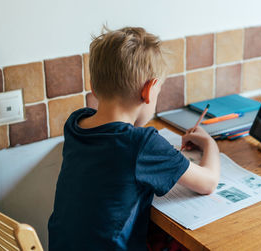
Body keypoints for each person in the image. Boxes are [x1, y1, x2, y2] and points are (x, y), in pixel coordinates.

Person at [48, 27, 220, 251]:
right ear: (148, 91)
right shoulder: (142, 143)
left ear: (93, 86)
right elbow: (208, 183)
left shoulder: (76, 124)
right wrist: (210, 144)